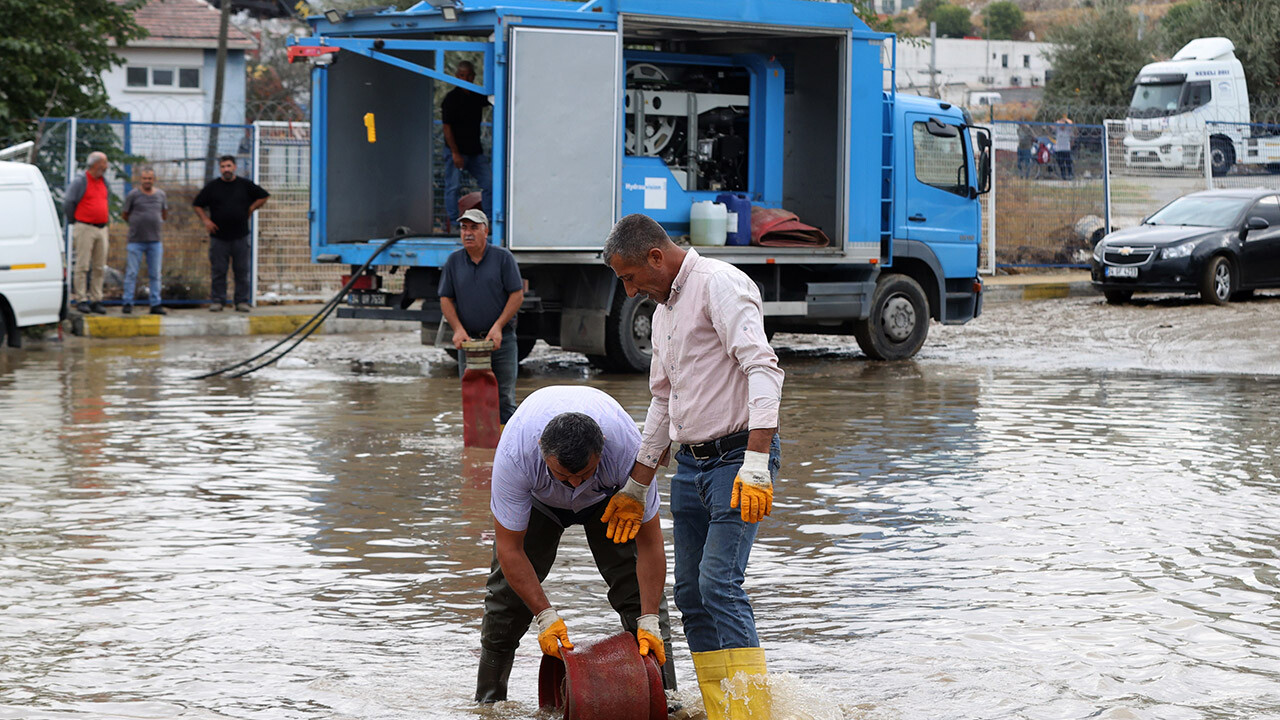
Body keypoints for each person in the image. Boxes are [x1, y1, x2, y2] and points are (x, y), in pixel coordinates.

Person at [601, 213, 784, 720]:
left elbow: (763, 368)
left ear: (656, 257)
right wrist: (638, 484)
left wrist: (756, 460)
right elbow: (663, 402)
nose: (631, 289)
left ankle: (755, 713)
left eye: (631, 277)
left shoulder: (719, 286)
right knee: (688, 594)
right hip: (691, 466)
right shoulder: (663, 314)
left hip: (736, 459)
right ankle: (719, 707)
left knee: (718, 583)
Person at [475, 385, 677, 703]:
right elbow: (509, 549)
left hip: (610, 498)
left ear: (602, 450)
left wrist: (649, 617)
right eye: (564, 475)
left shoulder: (628, 451)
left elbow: (651, 545)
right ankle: (488, 701)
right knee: (505, 602)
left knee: (638, 598)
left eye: (584, 474)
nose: (575, 484)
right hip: (540, 501)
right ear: (542, 448)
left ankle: (665, 698)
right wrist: (545, 615)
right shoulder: (515, 455)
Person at [438, 209, 523, 424]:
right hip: (469, 344)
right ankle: (476, 453)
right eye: (464, 227)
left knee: (504, 400)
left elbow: (517, 294)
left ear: (486, 231)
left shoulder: (503, 258)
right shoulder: (454, 261)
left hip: (501, 340)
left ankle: (504, 453)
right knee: (472, 399)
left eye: (474, 228)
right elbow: (445, 298)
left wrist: (498, 326)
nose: (468, 233)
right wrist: (457, 329)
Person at [192, 155, 269, 312]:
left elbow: (264, 195)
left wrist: (251, 208)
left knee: (241, 271)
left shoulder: (245, 185)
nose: (226, 169)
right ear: (220, 169)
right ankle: (218, 301)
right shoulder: (213, 187)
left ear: (234, 167)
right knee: (218, 271)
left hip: (240, 236)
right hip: (219, 237)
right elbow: (197, 204)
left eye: (228, 166)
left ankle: (241, 301)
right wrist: (206, 220)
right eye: (223, 167)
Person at [441, 60, 493, 227]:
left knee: (490, 184)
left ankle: (490, 221)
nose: (466, 79)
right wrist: (455, 153)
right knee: (453, 187)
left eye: (469, 75)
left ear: (473, 77)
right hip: (456, 151)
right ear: (457, 76)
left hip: (475, 151)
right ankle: (456, 225)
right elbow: (446, 128)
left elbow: (493, 97)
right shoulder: (451, 99)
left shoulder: (478, 96)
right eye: (462, 75)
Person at [64, 151, 111, 315]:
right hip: (85, 227)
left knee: (99, 266)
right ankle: (81, 298)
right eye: (104, 163)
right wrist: (75, 221)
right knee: (82, 265)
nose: (106, 167)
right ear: (96, 164)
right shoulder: (80, 181)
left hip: (102, 228)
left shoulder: (104, 182)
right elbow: (69, 202)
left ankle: (96, 299)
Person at [120, 167, 169, 315]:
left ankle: (155, 303)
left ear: (154, 180)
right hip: (136, 241)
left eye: (150, 178)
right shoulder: (133, 195)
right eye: (144, 178)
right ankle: (127, 302)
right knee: (132, 273)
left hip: (155, 241)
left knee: (155, 274)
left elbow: (164, 213)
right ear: (140, 179)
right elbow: (125, 214)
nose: (147, 181)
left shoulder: (161, 195)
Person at [1055, 114, 1074, 180]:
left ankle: (1070, 174)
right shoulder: (1058, 129)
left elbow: (1071, 123)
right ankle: (1063, 176)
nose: (1062, 126)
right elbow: (1055, 123)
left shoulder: (1067, 129)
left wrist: (1065, 119)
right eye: (1061, 125)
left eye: (1063, 125)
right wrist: (1061, 120)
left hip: (1066, 149)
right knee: (1061, 164)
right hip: (1059, 149)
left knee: (1068, 163)